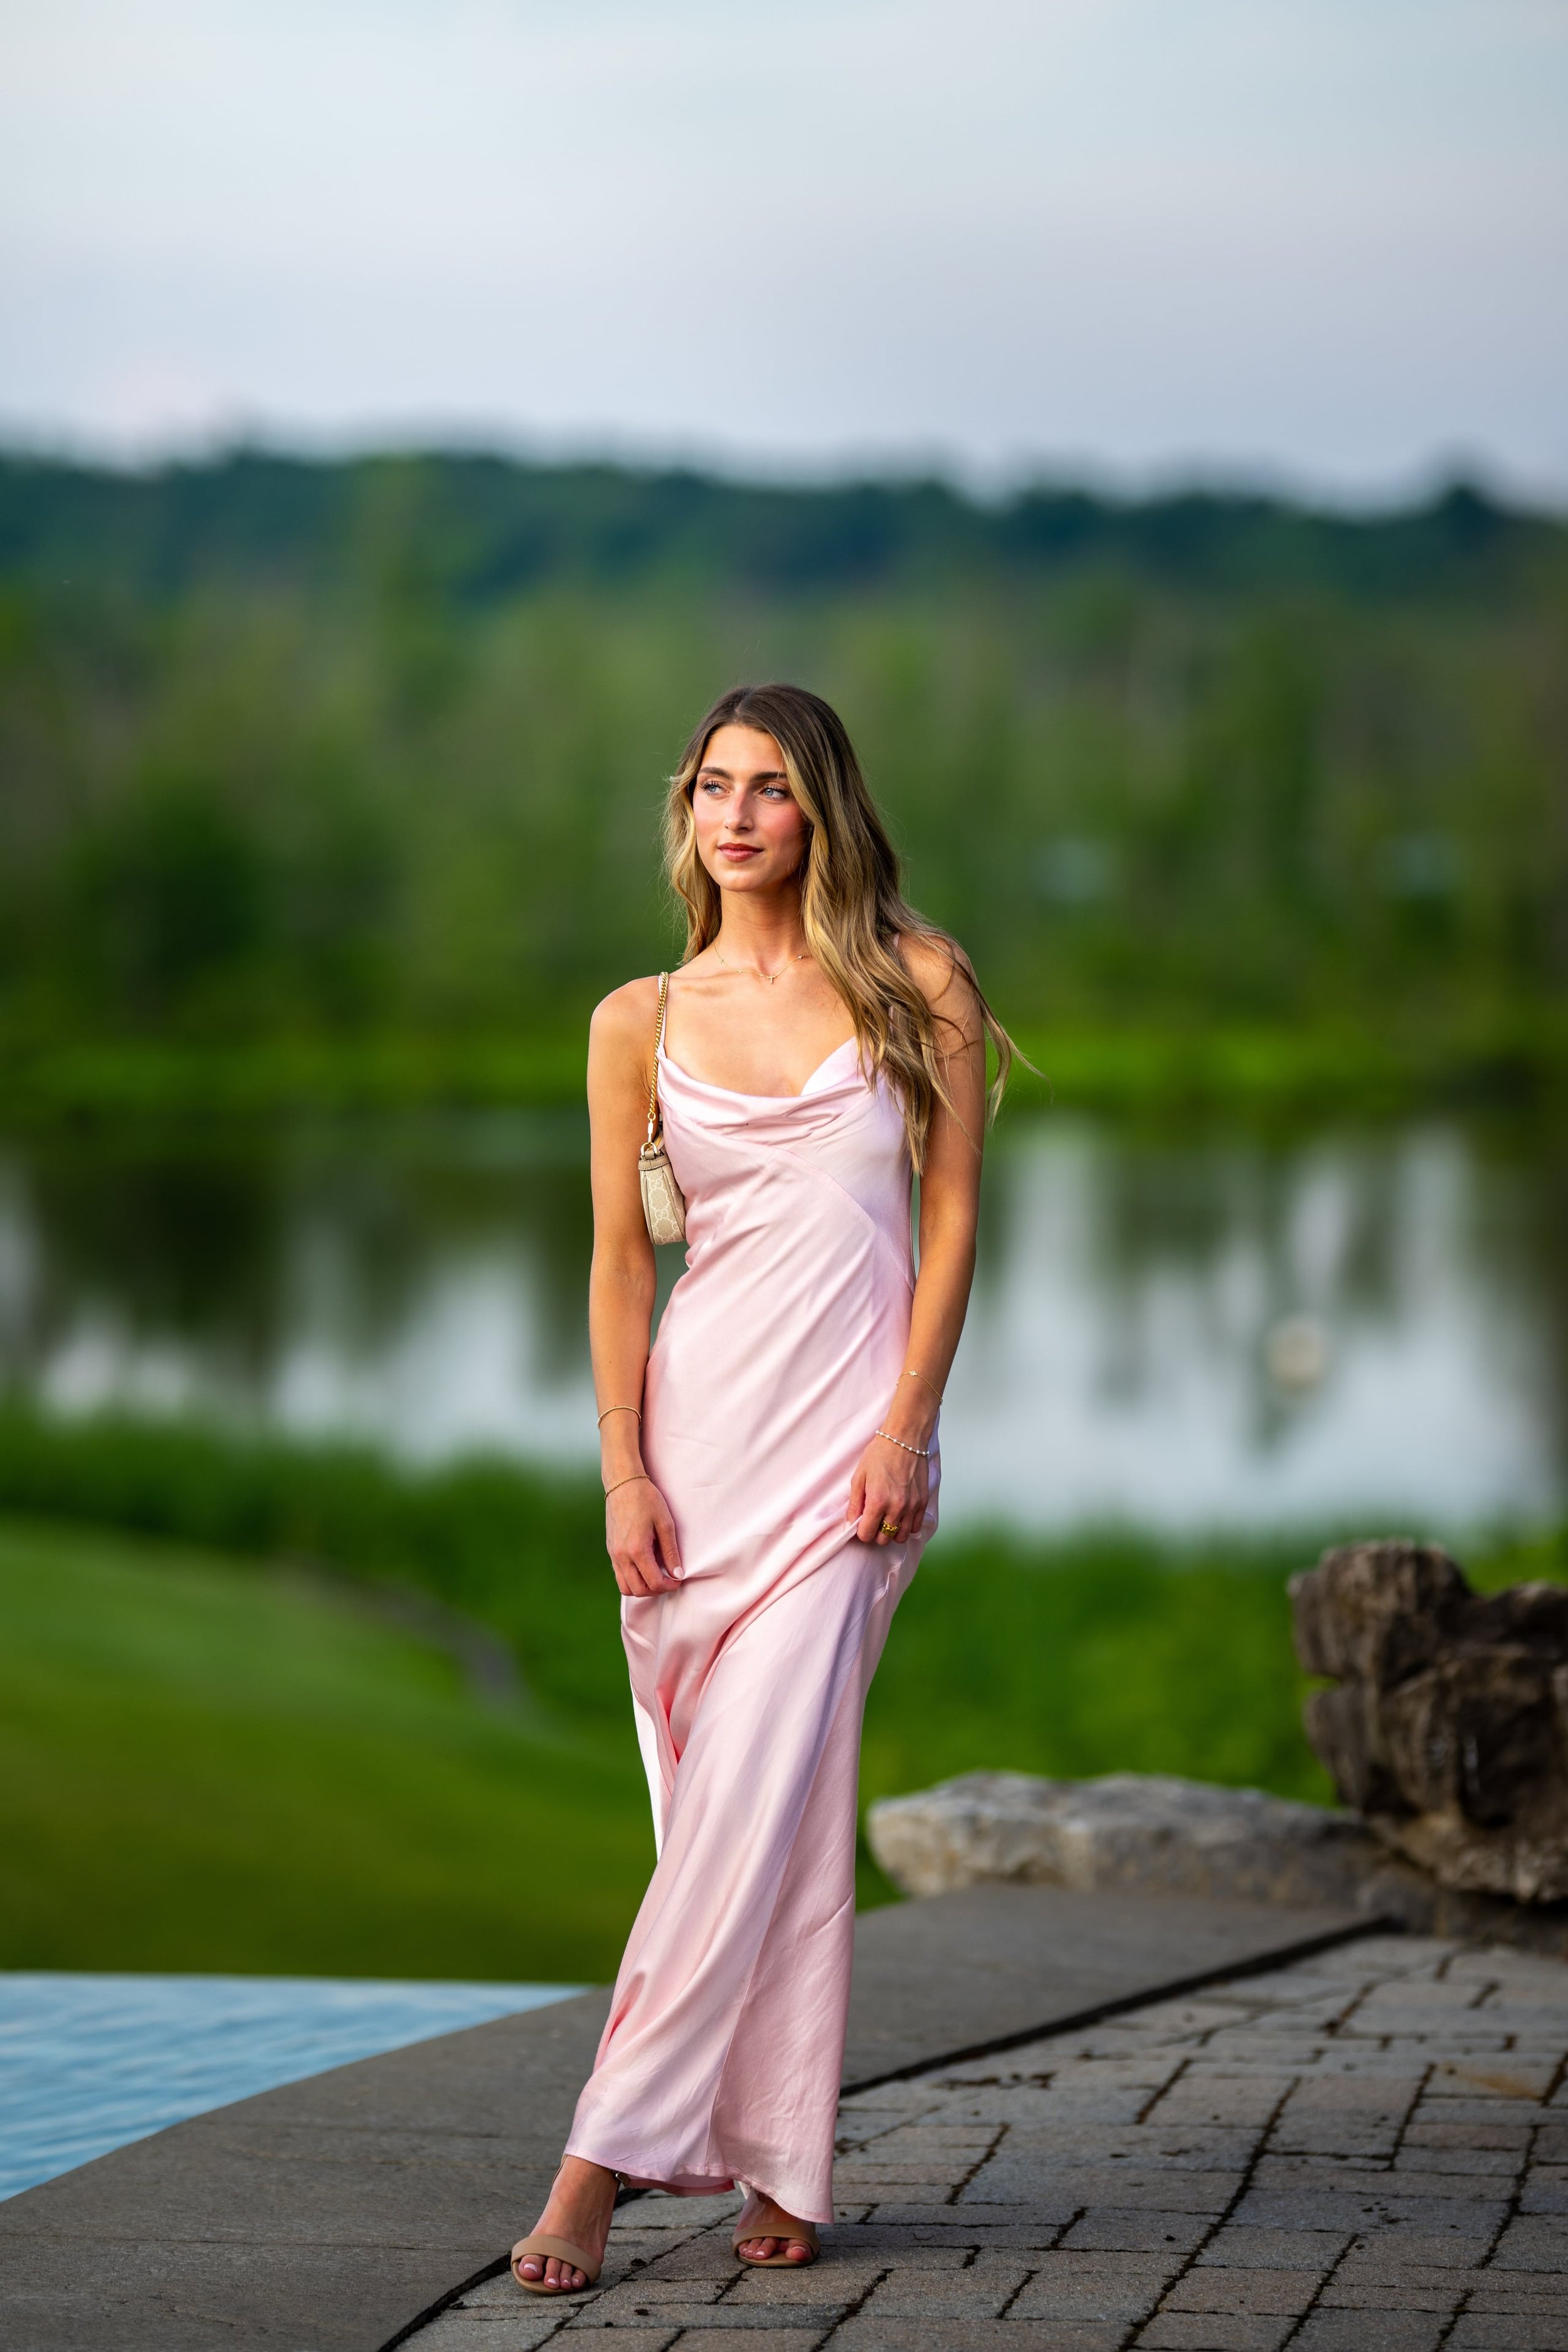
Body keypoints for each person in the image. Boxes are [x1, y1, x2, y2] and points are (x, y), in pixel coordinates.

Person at [511, 681, 1015, 2294]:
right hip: (694, 1452)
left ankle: (591, 2169)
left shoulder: (917, 985)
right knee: (752, 1814)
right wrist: (620, 1469)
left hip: (848, 1459)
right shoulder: (634, 1021)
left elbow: (948, 1229)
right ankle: (784, 2157)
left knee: (746, 1802)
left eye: (770, 790)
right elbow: (611, 1264)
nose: (733, 817)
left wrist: (907, 1427)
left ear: (824, 814)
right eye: (711, 787)